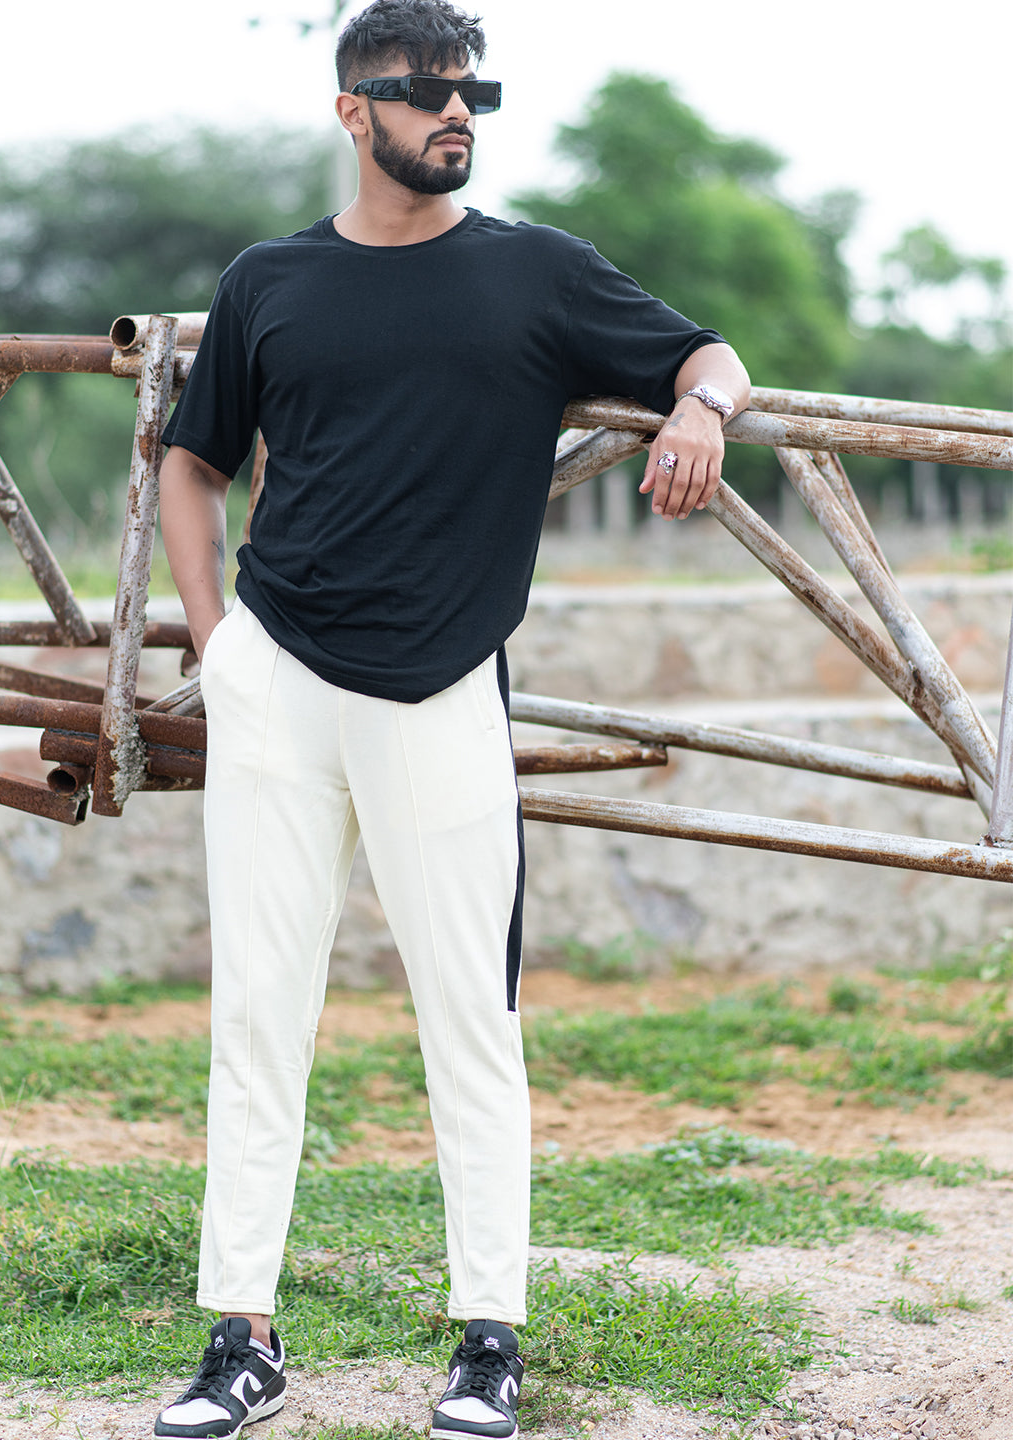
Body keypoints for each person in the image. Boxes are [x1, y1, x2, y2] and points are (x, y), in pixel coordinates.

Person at [153, 2, 749, 1437]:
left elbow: (709, 354)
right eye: (424, 89)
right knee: (258, 1016)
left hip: (441, 691)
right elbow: (193, 464)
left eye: (472, 88)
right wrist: (220, 649)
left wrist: (705, 414)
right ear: (353, 110)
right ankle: (241, 1338)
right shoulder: (269, 280)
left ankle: (489, 1339)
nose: (455, 109)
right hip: (280, 683)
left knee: (472, 1020)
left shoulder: (537, 272)